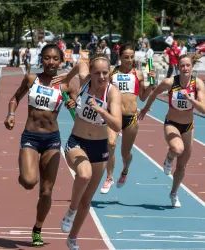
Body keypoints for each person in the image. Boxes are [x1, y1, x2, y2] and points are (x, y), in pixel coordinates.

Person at [4, 44, 77, 246]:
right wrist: (11, 114)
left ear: (61, 61)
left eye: (55, 58)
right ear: (41, 59)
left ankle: (37, 228)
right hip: (31, 137)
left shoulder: (66, 85)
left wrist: (74, 103)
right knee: (28, 182)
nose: (50, 62)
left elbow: (78, 108)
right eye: (46, 58)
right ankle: (25, 172)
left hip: (52, 140)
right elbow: (14, 98)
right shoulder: (31, 79)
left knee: (46, 191)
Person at [51, 54, 122, 250]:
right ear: (91, 72)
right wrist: (66, 77)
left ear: (110, 73)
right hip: (77, 142)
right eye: (97, 72)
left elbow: (117, 124)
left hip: (99, 147)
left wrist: (101, 110)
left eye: (105, 73)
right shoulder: (84, 80)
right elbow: (80, 63)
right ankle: (70, 210)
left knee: (87, 200)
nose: (101, 76)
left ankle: (72, 238)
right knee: (84, 175)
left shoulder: (112, 93)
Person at [138, 53, 205, 208]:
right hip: (171, 123)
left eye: (188, 65)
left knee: (182, 166)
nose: (185, 68)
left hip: (188, 127)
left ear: (192, 67)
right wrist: (145, 109)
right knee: (177, 148)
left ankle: (173, 193)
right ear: (178, 67)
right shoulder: (170, 82)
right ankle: (169, 157)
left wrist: (190, 98)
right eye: (182, 66)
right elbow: (154, 93)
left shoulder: (198, 84)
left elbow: (203, 109)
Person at [100, 43, 155, 194]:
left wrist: (151, 84)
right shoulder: (111, 73)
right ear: (119, 57)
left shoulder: (138, 74)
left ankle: (125, 169)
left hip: (131, 118)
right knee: (110, 144)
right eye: (126, 57)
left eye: (132, 57)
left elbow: (143, 97)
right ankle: (109, 177)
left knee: (125, 153)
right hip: (113, 115)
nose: (129, 60)